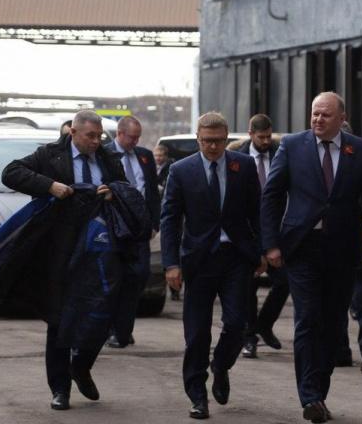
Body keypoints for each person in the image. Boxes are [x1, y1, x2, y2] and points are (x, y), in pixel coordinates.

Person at [261, 91, 362, 423]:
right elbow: (272, 196)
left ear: (342, 118)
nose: (317, 119)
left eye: (325, 115)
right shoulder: (292, 145)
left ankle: (319, 392)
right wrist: (270, 244)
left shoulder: (360, 150)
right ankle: (309, 395)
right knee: (308, 318)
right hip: (302, 247)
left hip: (342, 250)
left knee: (333, 323)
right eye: (314, 113)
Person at [1, 110, 126, 410]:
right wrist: (49, 186)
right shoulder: (49, 155)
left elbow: (125, 190)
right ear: (73, 132)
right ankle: (60, 388)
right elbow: (11, 173)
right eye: (90, 136)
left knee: (102, 314)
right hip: (60, 251)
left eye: (99, 136)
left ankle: (81, 367)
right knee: (58, 321)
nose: (96, 142)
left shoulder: (108, 159)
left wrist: (113, 194)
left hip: (99, 250)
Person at [161, 112, 263, 420]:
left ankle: (220, 364)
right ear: (198, 139)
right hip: (199, 260)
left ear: (227, 138)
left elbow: (257, 212)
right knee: (196, 334)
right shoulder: (181, 170)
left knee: (237, 324)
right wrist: (171, 264)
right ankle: (197, 394)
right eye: (207, 141)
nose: (213, 147)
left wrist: (260, 250)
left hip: (235, 257)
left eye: (219, 141)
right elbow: (170, 220)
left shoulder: (244, 166)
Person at [235, 114, 289, 360]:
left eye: (268, 136)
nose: (266, 141)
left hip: (276, 231)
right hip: (247, 231)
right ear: (251, 134)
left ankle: (264, 324)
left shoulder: (281, 153)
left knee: (284, 281)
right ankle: (249, 338)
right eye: (261, 137)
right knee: (249, 286)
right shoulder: (237, 156)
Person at [105, 116, 161, 348]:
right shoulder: (104, 154)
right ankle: (116, 330)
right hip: (116, 228)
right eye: (132, 137)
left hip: (140, 229)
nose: (135, 141)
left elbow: (152, 192)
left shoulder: (145, 156)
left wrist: (155, 223)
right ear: (119, 133)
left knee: (139, 276)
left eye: (138, 137)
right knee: (115, 279)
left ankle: (123, 327)